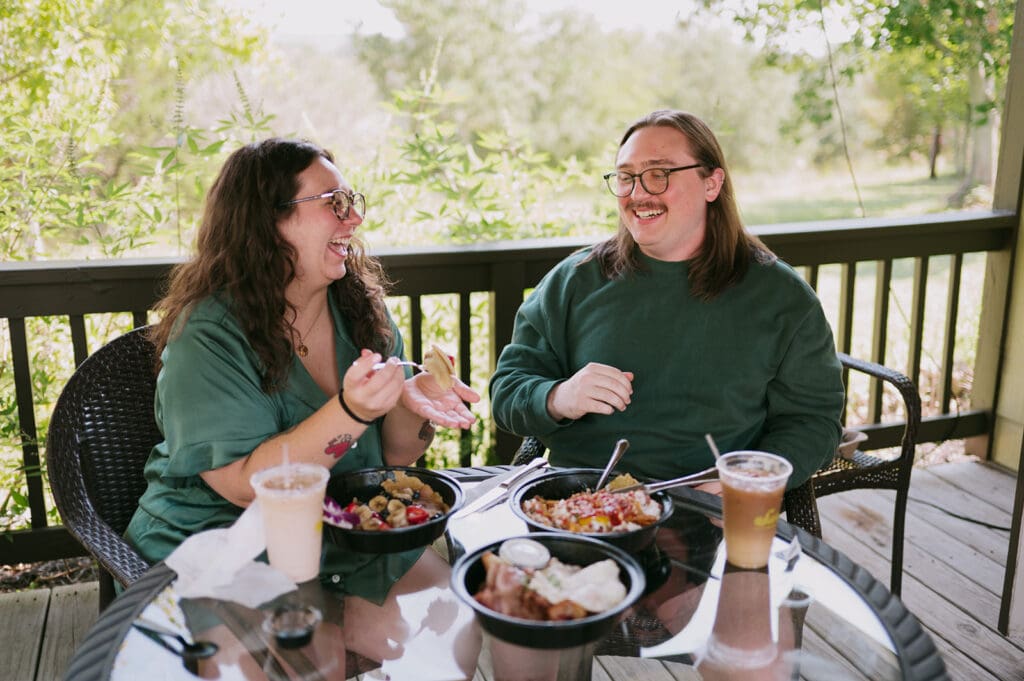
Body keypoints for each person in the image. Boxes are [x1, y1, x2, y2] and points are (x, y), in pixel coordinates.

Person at [125, 138, 481, 668]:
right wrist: (354, 410)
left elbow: (399, 457)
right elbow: (244, 486)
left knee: (454, 621)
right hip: (221, 540)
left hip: (343, 534)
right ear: (268, 221)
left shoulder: (362, 311)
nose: (355, 218)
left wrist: (412, 403)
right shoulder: (208, 334)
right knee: (316, 657)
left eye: (352, 200)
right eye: (334, 203)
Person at [489, 110, 844, 490]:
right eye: (626, 177)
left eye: (659, 174)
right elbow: (507, 391)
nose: (638, 194)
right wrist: (559, 396)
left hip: (706, 509)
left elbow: (814, 421)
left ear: (712, 183)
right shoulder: (574, 280)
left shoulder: (782, 298)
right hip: (578, 505)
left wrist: (744, 482)